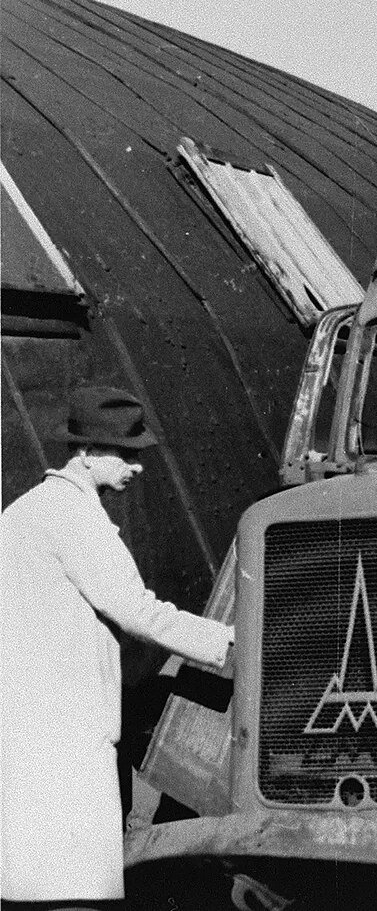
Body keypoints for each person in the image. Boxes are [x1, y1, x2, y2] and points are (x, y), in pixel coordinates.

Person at [1, 386, 235, 909]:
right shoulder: (74, 517)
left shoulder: (24, 512)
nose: (138, 466)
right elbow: (138, 610)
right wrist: (228, 641)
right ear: (84, 453)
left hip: (26, 726)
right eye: (126, 453)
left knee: (30, 886)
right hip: (65, 732)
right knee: (74, 890)